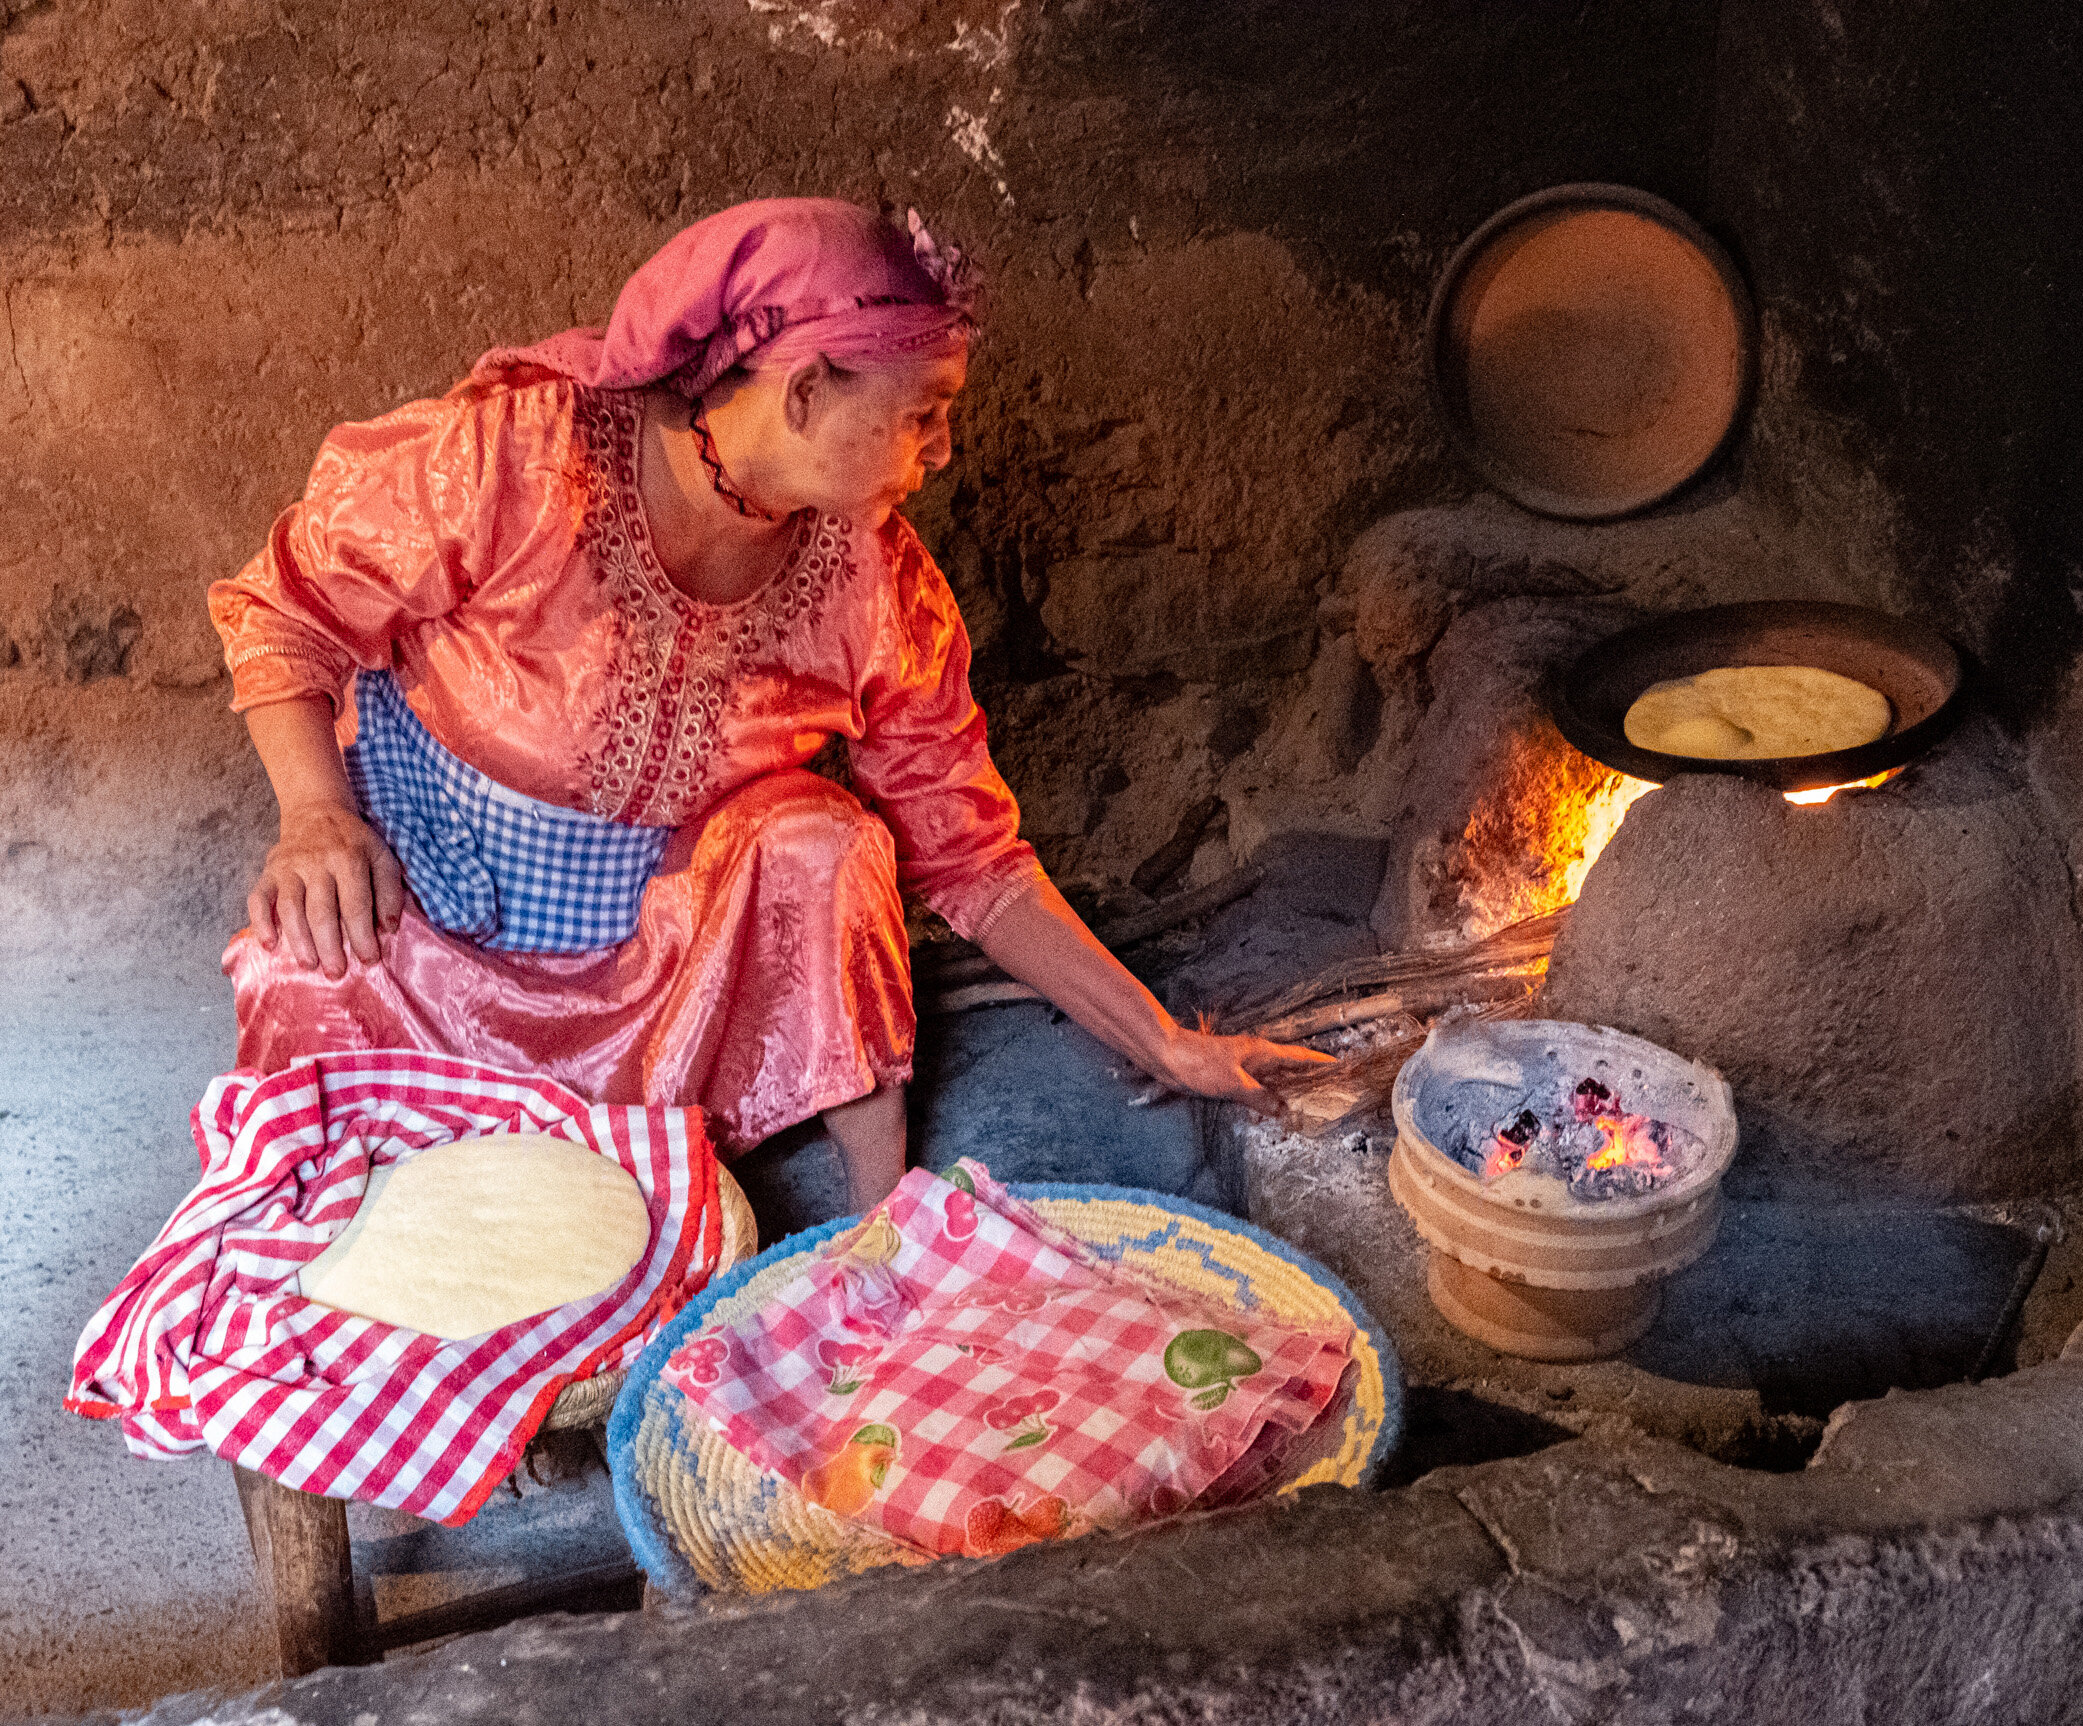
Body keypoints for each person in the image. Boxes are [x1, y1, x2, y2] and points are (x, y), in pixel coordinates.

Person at [208, 198, 1326, 1211]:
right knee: (295, 960)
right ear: (802, 393)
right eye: (924, 413)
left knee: (821, 841)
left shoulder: (877, 586)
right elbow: (287, 610)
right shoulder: (522, 459)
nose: (941, 451)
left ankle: (879, 1228)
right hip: (433, 921)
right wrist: (315, 814)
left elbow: (975, 859)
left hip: (653, 985)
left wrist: (1166, 1043)